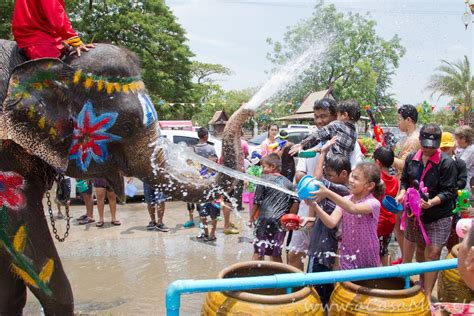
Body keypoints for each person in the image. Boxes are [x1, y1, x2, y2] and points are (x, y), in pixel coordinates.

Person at [395, 124, 456, 301]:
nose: (429, 148)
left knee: (434, 252)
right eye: (425, 144)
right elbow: (405, 181)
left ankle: (428, 296)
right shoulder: (411, 159)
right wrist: (402, 193)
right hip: (415, 213)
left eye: (432, 145)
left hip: (438, 214)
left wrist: (431, 202)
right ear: (420, 141)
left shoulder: (446, 163)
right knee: (420, 249)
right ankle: (421, 285)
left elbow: (449, 192)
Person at [302, 162, 384, 270]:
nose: (351, 180)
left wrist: (327, 193)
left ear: (370, 185)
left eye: (356, 178)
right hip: (347, 254)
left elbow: (353, 209)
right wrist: (315, 206)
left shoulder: (373, 203)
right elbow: (331, 223)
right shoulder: (345, 200)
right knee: (347, 285)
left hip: (367, 253)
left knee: (366, 284)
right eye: (352, 175)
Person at [300, 140, 351, 306]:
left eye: (330, 175)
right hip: (321, 247)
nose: (327, 179)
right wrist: (312, 218)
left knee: (317, 292)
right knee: (322, 290)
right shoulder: (335, 191)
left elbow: (315, 180)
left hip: (324, 250)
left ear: (343, 174)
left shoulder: (342, 190)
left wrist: (322, 153)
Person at [250, 154, 299, 262]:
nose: (262, 170)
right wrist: (289, 219)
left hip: (264, 220)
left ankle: (254, 276)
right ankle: (279, 277)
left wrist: (251, 217)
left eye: (264, 166)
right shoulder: (289, 183)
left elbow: (257, 201)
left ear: (272, 167)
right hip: (280, 222)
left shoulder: (264, 179)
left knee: (258, 252)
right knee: (276, 253)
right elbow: (295, 202)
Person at [12, 0, 95, 60]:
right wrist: (74, 39)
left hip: (45, 32)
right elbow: (55, 12)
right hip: (36, 35)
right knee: (51, 76)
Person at [391, 104, 420, 265]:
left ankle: (406, 261)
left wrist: (388, 156)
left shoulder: (413, 140)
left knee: (402, 225)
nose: (398, 123)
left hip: (406, 187)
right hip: (402, 184)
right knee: (399, 224)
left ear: (408, 120)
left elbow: (404, 165)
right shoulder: (409, 138)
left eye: (399, 119)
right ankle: (404, 257)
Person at [289, 100, 361, 160]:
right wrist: (317, 150)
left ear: (336, 116)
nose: (319, 121)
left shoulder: (337, 125)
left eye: (323, 116)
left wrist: (302, 145)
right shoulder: (353, 133)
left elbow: (319, 134)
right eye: (316, 117)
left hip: (331, 168)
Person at [183, 127, 217, 229]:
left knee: (191, 198)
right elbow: (214, 162)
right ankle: (207, 218)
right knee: (205, 198)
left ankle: (191, 219)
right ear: (206, 135)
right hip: (206, 177)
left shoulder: (192, 149)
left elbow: (188, 163)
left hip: (194, 177)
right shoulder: (210, 148)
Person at [440, 132, 467, 252]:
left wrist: (452, 188)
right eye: (443, 148)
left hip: (454, 201)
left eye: (447, 147)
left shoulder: (459, 163)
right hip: (439, 202)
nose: (445, 150)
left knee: (454, 235)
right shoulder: (436, 162)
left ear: (453, 146)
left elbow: (463, 181)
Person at [373, 147, 398, 266]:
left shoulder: (376, 179)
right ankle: (388, 276)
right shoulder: (395, 180)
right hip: (390, 221)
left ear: (377, 162)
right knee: (384, 251)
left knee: (372, 251)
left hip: (377, 222)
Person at [196, 154, 220, 242]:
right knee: (202, 216)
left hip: (214, 199)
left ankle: (212, 233)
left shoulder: (218, 173)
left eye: (212, 161)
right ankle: (206, 232)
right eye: (209, 161)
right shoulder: (203, 172)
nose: (210, 163)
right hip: (204, 198)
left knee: (214, 217)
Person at [455, 125, 474, 201]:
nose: (456, 141)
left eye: (457, 138)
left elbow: (459, 166)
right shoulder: (464, 149)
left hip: (465, 189)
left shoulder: (471, 150)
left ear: (464, 138)